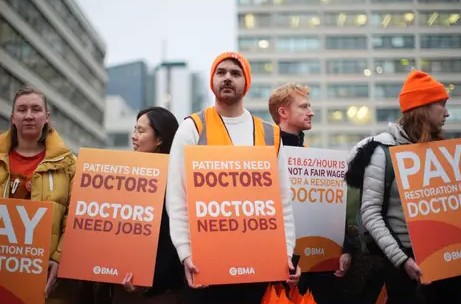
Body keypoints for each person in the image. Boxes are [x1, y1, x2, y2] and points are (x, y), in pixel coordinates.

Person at [166, 51, 301, 304]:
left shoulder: (270, 134)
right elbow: (177, 196)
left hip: (257, 264)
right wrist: (186, 253)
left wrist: (286, 254)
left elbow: (283, 201)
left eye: (235, 73)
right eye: (221, 72)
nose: (227, 78)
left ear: (246, 83)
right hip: (206, 263)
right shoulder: (193, 127)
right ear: (212, 80)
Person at [351, 70, 461, 304]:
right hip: (404, 266)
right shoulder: (383, 151)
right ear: (423, 108)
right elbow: (370, 213)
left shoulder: (444, 152)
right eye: (441, 105)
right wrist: (402, 259)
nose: (447, 113)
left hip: (447, 262)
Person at [268, 83, 354, 303]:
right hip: (281, 270)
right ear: (283, 112)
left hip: (318, 267)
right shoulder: (266, 156)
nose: (311, 112)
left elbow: (328, 209)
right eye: (304, 106)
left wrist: (343, 249)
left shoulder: (309, 156)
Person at [0, 85, 81, 303]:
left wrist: (58, 258)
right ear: (13, 117)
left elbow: (75, 218)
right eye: (22, 109)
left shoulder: (70, 165)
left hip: (47, 281)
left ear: (46, 117)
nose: (28, 116)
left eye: (35, 110)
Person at [111, 107, 184, 304]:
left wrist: (147, 282)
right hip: (124, 286)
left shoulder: (177, 181)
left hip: (160, 293)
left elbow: (171, 240)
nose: (134, 137)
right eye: (134, 130)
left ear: (159, 139)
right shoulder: (127, 177)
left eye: (141, 131)